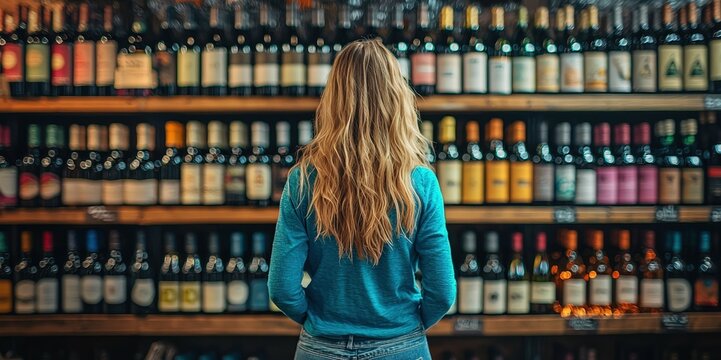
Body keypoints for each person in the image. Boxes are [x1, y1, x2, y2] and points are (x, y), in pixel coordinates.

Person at [268, 39, 456, 360]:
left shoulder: (302, 179)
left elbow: (282, 289)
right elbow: (442, 292)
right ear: (397, 99)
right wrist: (402, 329)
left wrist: (319, 322)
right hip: (401, 345)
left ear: (333, 99)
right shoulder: (421, 182)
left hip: (320, 347)